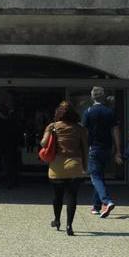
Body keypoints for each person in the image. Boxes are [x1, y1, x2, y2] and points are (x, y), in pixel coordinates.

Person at [41, 101, 89, 236]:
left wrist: (49, 134)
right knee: (72, 196)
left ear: (58, 113)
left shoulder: (52, 127)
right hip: (75, 165)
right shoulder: (80, 128)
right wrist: (85, 166)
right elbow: (85, 148)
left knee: (57, 196)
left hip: (57, 166)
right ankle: (69, 225)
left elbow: (43, 144)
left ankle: (57, 220)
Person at [81, 86, 121, 218]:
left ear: (92, 97)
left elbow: (85, 132)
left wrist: (83, 148)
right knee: (99, 176)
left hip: (94, 148)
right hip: (107, 148)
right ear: (103, 97)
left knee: (95, 176)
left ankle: (106, 201)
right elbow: (115, 131)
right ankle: (96, 206)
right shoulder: (110, 112)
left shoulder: (88, 112)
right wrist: (117, 149)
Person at [0, 104, 20, 189]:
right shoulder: (12, 123)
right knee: (9, 164)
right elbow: (16, 136)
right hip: (10, 146)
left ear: (0, 113)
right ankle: (10, 182)